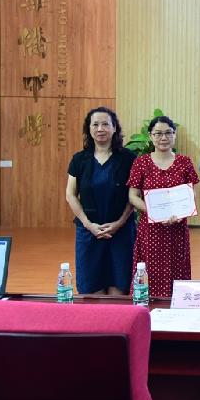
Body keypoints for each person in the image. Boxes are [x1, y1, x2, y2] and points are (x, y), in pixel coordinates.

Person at [66, 107, 137, 295]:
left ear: (114, 128)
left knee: (119, 287)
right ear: (88, 129)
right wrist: (88, 224)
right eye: (95, 124)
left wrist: (119, 223)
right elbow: (70, 194)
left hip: (121, 232)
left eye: (105, 124)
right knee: (90, 289)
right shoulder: (79, 159)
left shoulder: (128, 158)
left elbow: (134, 196)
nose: (100, 129)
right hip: (89, 232)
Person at [127, 116, 199, 297]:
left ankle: (176, 309)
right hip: (151, 229)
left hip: (177, 228)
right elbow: (133, 196)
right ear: (150, 136)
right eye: (158, 133)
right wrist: (154, 212)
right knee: (149, 271)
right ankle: (147, 309)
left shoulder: (184, 162)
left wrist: (182, 213)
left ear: (174, 135)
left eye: (168, 133)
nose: (163, 138)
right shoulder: (141, 162)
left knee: (178, 269)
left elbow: (191, 193)